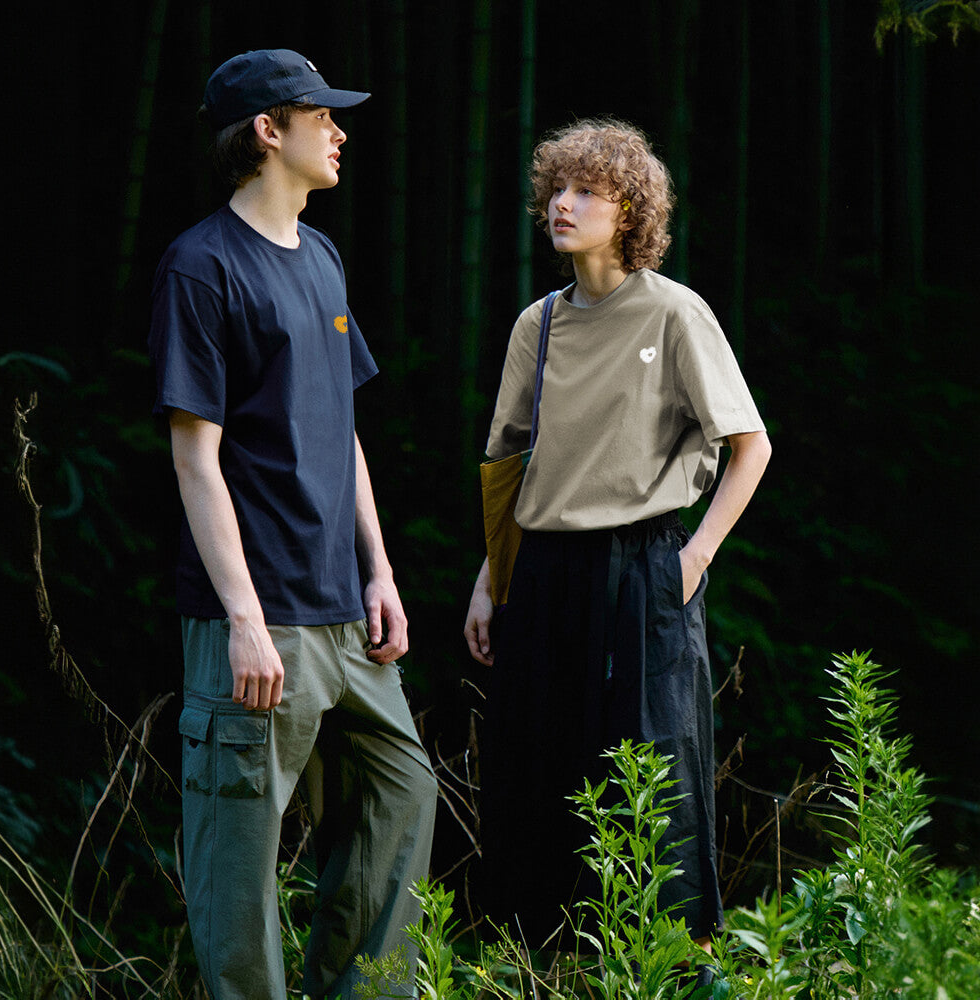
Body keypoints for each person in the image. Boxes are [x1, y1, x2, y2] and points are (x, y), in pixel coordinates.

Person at [148, 48, 437, 1000]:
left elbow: (342, 431)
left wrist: (380, 572)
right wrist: (240, 617)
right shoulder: (199, 267)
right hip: (258, 619)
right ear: (269, 132)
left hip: (345, 615)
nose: (340, 131)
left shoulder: (322, 258)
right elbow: (196, 457)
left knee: (404, 792)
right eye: (323, 116)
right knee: (238, 864)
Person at [464, 119, 771, 955]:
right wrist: (489, 582)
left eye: (587, 192)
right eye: (557, 190)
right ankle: (535, 965)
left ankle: (661, 967)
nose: (563, 205)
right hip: (541, 571)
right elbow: (509, 464)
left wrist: (695, 558)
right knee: (536, 777)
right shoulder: (540, 324)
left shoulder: (675, 313)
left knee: (651, 778)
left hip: (643, 564)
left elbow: (751, 447)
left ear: (629, 208)